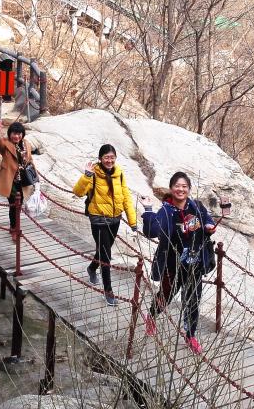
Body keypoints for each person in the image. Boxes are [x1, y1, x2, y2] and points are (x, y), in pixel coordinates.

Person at [140, 172, 226, 355]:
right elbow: (151, 231)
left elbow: (206, 220)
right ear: (171, 188)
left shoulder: (196, 206)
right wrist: (148, 210)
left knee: (193, 300)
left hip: (194, 265)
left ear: (189, 189)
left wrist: (208, 226)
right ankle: (152, 316)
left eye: (184, 186)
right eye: (177, 186)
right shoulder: (166, 211)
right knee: (166, 295)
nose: (181, 189)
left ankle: (190, 335)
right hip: (172, 265)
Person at [73, 145, 137, 307]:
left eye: (112, 157)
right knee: (106, 254)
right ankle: (108, 291)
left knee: (103, 250)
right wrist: (87, 176)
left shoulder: (119, 173)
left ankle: (91, 268)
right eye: (106, 157)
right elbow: (78, 192)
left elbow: (126, 197)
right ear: (100, 158)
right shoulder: (93, 173)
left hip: (115, 220)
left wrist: (132, 221)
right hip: (99, 220)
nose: (109, 160)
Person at [0, 120, 34, 242]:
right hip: (10, 180)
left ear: (22, 134)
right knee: (14, 205)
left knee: (19, 205)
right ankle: (14, 229)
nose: (16, 136)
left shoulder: (26, 144)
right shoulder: (5, 144)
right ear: (10, 134)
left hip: (23, 180)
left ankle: (15, 227)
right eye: (14, 133)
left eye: (19, 134)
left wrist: (35, 176)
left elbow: (30, 160)